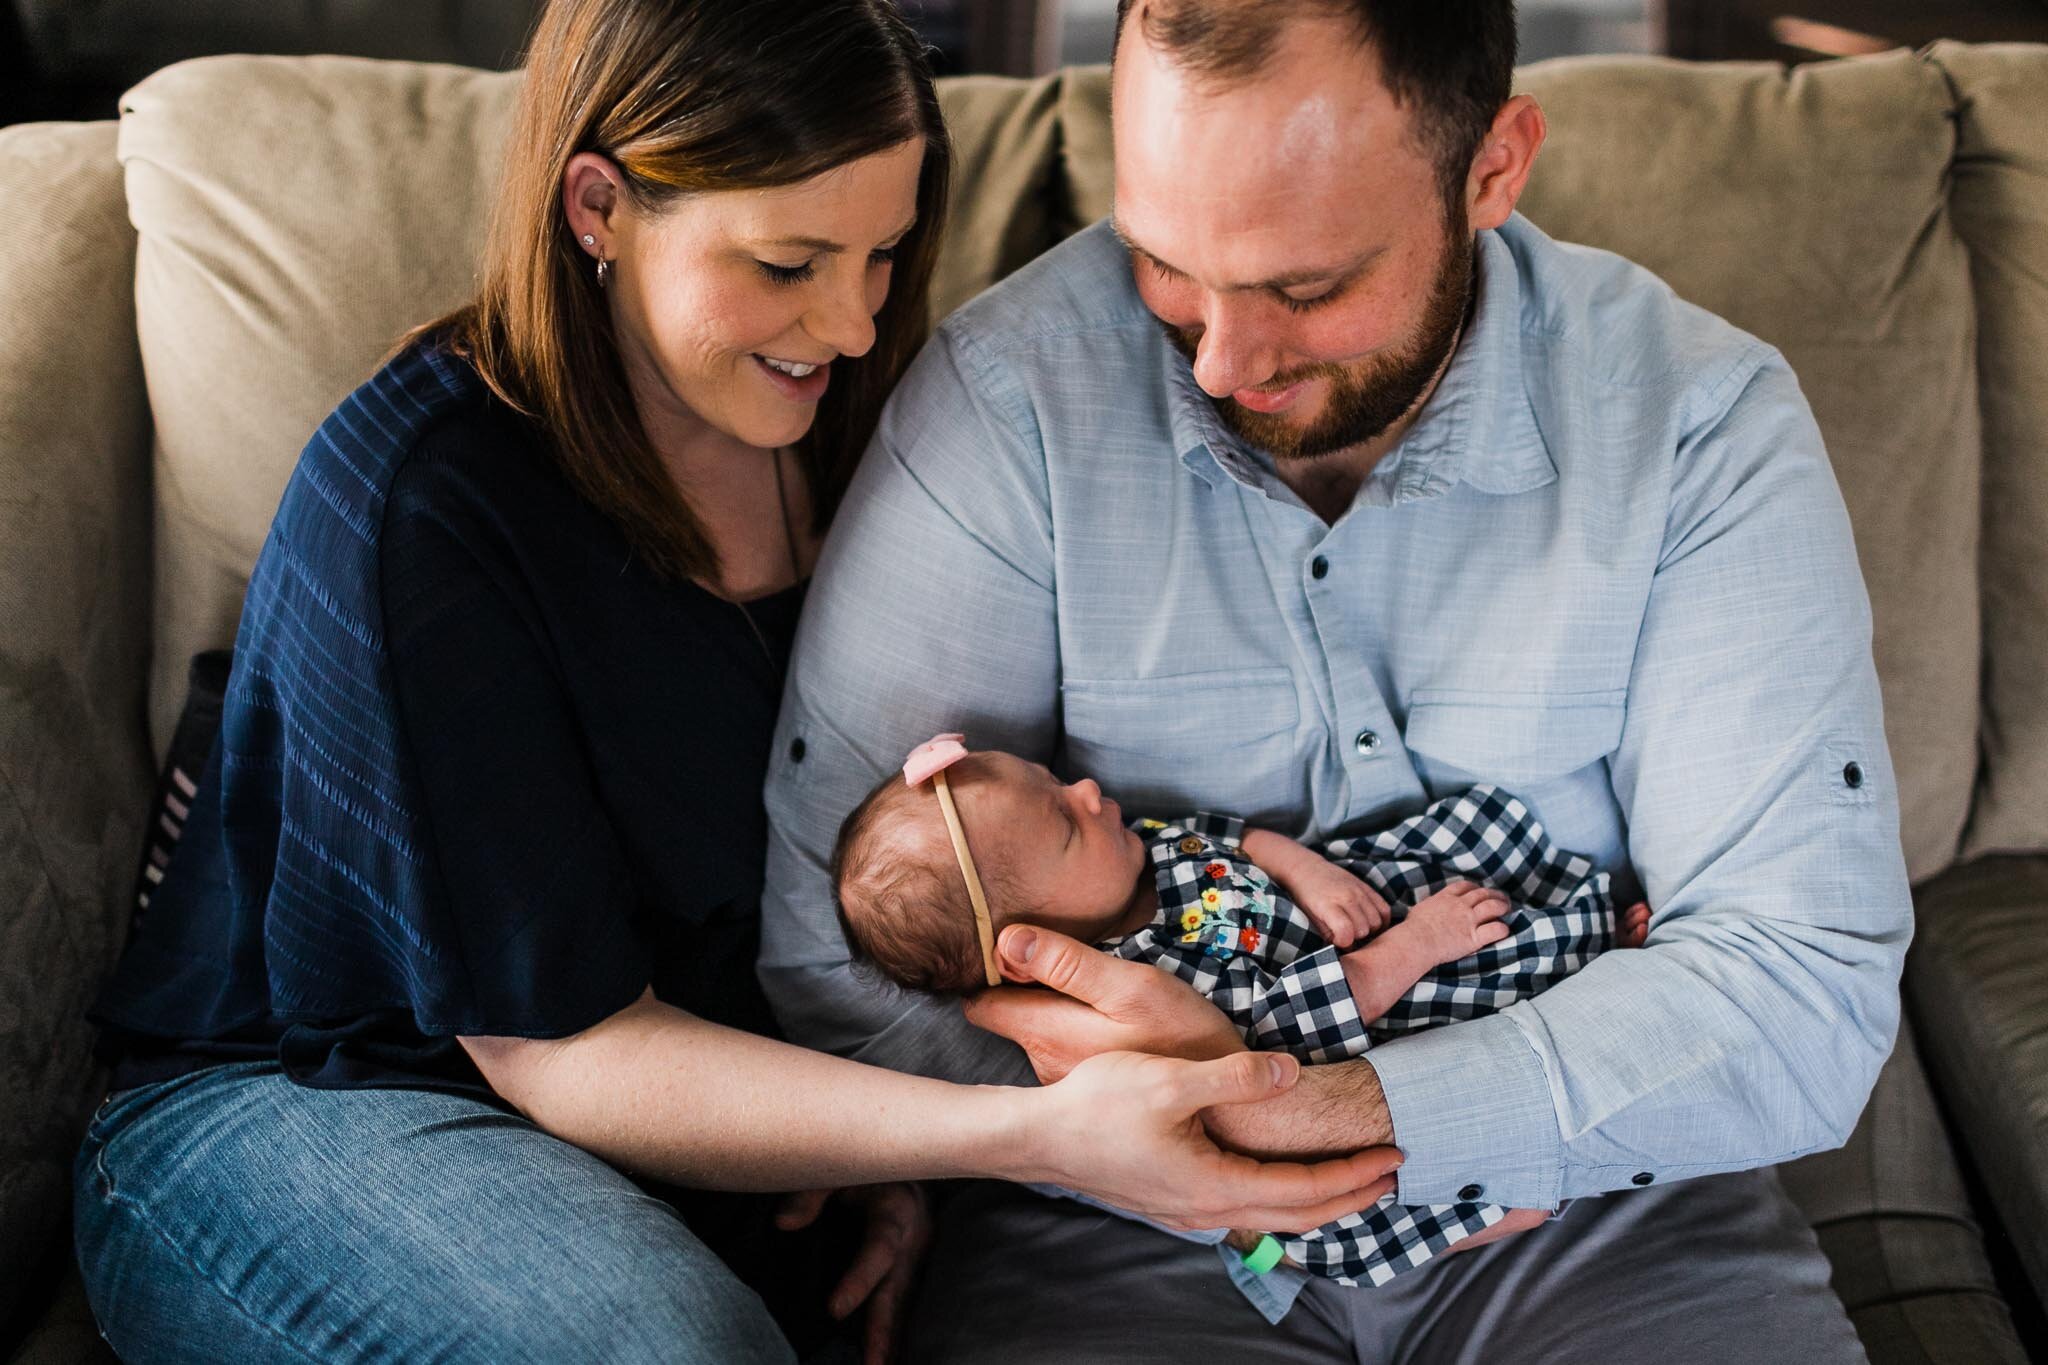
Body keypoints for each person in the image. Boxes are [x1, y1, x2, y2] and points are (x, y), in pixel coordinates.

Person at [70, 3, 1399, 1362]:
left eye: (884, 252)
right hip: (317, 1099)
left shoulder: (857, 426)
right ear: (599, 205)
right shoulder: (420, 503)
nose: (848, 319)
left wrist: (870, 1146)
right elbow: (562, 1045)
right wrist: (1009, 1131)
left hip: (670, 1105)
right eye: (785, 263)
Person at [760, 0, 1912, 1357]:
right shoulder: (1009, 407)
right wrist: (1152, 1146)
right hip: (1113, 1218)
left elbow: (1801, 988)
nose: (1217, 363)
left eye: (1304, 289)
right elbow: (834, 955)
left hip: (1598, 1201)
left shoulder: (1698, 425)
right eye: (1165, 266)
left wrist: (1315, 1110)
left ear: (1493, 168)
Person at [834, 736, 1654, 1286]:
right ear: (1026, 943)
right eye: (1064, 822)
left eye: (1056, 782)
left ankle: (1585, 941)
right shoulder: (1133, 981)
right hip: (1356, 1033)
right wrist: (1416, 945)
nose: (1087, 791)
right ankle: (1526, 1185)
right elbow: (1293, 1026)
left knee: (1460, 888)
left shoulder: (1138, 853)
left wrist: (1310, 872)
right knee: (1409, 1166)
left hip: (1346, 926)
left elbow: (1235, 839)